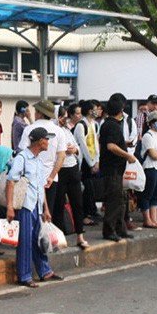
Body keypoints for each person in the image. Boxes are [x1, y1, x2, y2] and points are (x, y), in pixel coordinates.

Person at [6, 127, 63, 287]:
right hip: (25, 205)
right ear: (40, 141)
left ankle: (45, 271)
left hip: (36, 206)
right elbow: (11, 181)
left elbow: (40, 186)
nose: (48, 142)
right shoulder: (22, 158)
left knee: (38, 240)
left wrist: (46, 209)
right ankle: (24, 275)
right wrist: (10, 207)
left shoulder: (38, 160)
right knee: (25, 241)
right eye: (46, 139)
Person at [18, 100, 66, 230]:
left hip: (30, 178)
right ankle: (45, 243)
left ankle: (33, 242)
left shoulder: (29, 129)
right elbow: (61, 156)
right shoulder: (59, 131)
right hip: (51, 179)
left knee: (31, 212)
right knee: (47, 213)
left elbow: (22, 153)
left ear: (39, 112)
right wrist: (52, 176)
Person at [100, 97, 137, 242]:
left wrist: (124, 144)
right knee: (114, 201)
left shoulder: (109, 124)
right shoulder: (112, 126)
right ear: (121, 110)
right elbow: (111, 146)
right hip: (112, 169)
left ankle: (120, 228)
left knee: (121, 200)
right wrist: (127, 155)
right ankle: (109, 230)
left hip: (116, 170)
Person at [56, 105, 89, 248]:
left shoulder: (67, 130)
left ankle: (80, 236)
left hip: (73, 169)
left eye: (65, 116)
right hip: (60, 170)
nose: (64, 119)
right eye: (61, 116)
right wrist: (64, 150)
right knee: (58, 205)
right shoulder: (53, 132)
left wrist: (73, 150)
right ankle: (58, 237)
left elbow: (77, 148)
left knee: (77, 203)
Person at [74, 100, 101, 225]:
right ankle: (85, 215)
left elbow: (95, 143)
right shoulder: (81, 126)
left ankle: (91, 212)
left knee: (91, 189)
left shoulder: (94, 124)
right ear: (90, 111)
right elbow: (83, 146)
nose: (97, 111)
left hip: (92, 161)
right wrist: (91, 163)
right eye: (95, 108)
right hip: (83, 162)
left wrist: (97, 161)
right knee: (85, 189)